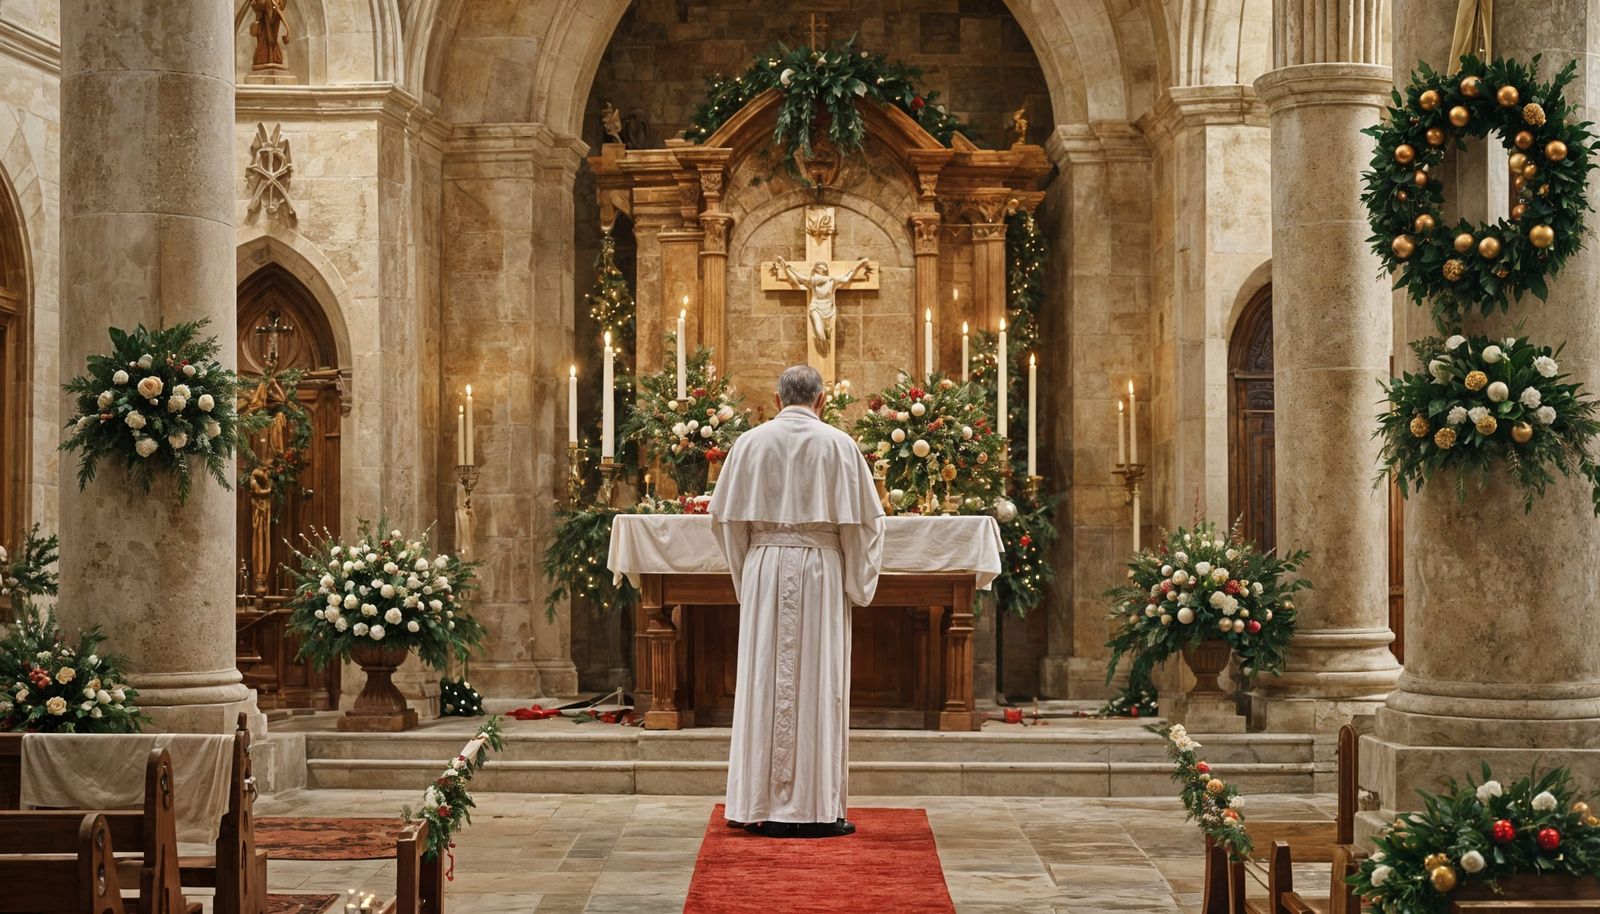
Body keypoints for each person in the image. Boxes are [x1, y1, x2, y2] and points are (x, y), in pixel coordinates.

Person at [708, 364, 886, 839]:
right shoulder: (839, 445)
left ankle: (755, 803)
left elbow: (725, 522)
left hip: (764, 566)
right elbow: (864, 526)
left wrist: (748, 572)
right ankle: (815, 807)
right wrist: (854, 581)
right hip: (821, 569)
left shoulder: (749, 443)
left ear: (777, 396)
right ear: (822, 400)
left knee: (765, 676)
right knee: (818, 677)